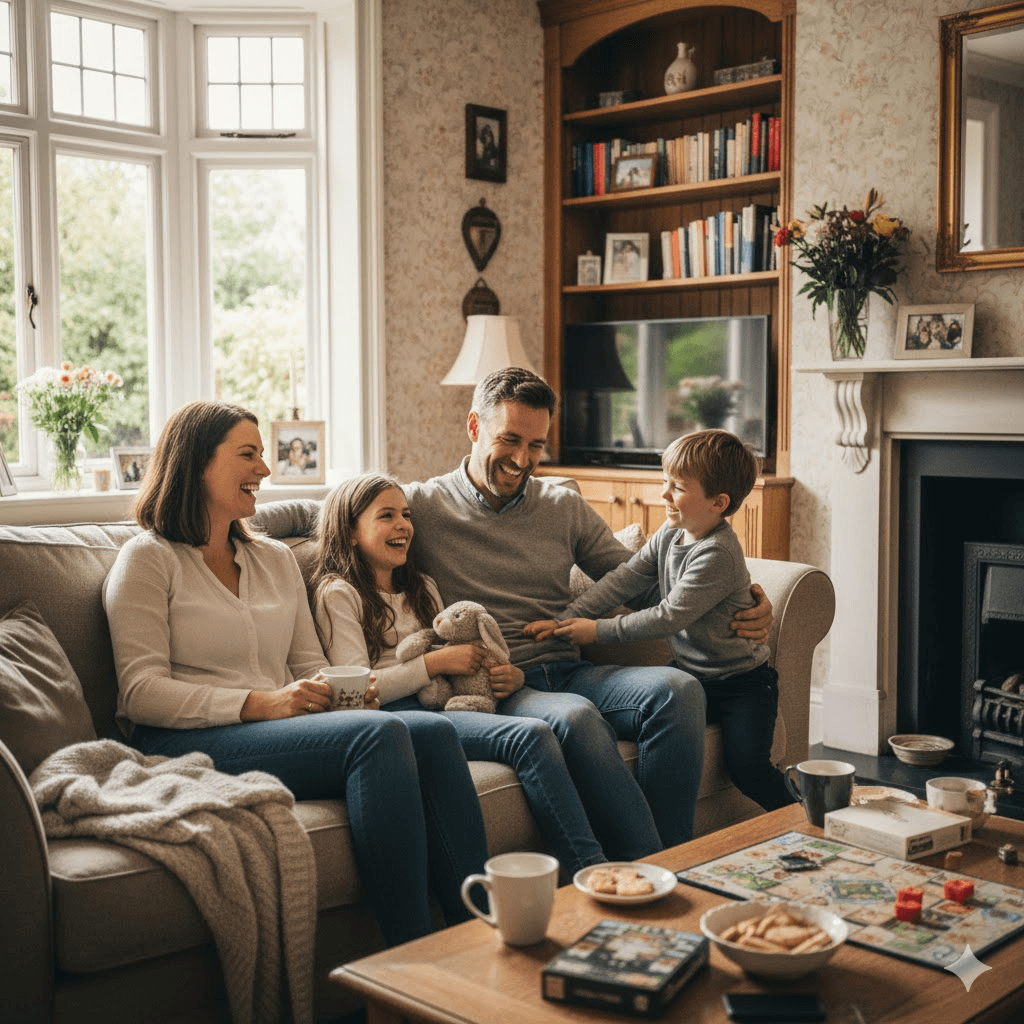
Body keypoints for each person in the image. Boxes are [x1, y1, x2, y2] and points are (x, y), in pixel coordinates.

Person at [102, 401, 489, 947]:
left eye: (262, 455)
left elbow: (311, 669)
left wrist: (346, 694)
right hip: (184, 737)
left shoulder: (275, 560)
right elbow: (140, 693)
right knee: (378, 736)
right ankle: (411, 960)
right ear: (196, 463)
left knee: (429, 729)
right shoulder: (148, 559)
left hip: (275, 727)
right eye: (248, 455)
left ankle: (480, 933)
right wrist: (262, 702)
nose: (264, 469)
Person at [402, 367, 773, 847]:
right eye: (509, 440)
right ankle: (651, 862)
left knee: (677, 690)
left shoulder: (561, 506)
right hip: (504, 682)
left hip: (570, 667)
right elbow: (327, 510)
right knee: (576, 716)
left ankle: (671, 862)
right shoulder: (422, 504)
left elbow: (641, 583)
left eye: (535, 446)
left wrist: (741, 600)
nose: (522, 459)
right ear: (474, 427)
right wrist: (266, 518)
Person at [309, 472, 652, 873]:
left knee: (536, 731)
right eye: (386, 516)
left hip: (446, 706)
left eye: (405, 514)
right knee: (529, 735)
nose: (403, 524)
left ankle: (605, 863)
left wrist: (509, 676)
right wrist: (434, 663)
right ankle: (589, 866)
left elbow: (465, 658)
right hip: (394, 718)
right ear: (350, 532)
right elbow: (360, 688)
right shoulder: (338, 593)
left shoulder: (423, 587)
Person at [526, 429, 794, 813]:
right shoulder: (671, 532)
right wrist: (568, 617)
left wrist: (596, 630)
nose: (664, 494)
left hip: (742, 685)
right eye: (665, 482)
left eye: (678, 487)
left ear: (718, 503)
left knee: (748, 768)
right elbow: (625, 578)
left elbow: (669, 616)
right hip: (691, 675)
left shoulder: (717, 553)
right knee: (646, 717)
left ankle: (804, 816)